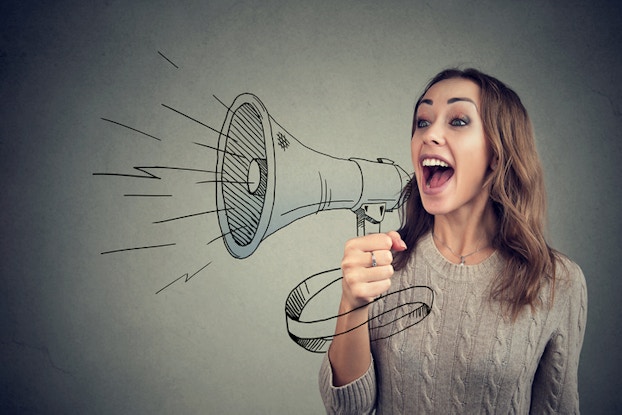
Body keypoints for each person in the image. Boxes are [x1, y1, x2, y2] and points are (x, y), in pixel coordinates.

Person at [319, 68, 587, 414]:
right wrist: (351, 303)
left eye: (458, 121)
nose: (430, 134)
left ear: (497, 153)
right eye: (422, 122)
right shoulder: (384, 265)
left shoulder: (557, 282)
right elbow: (346, 409)